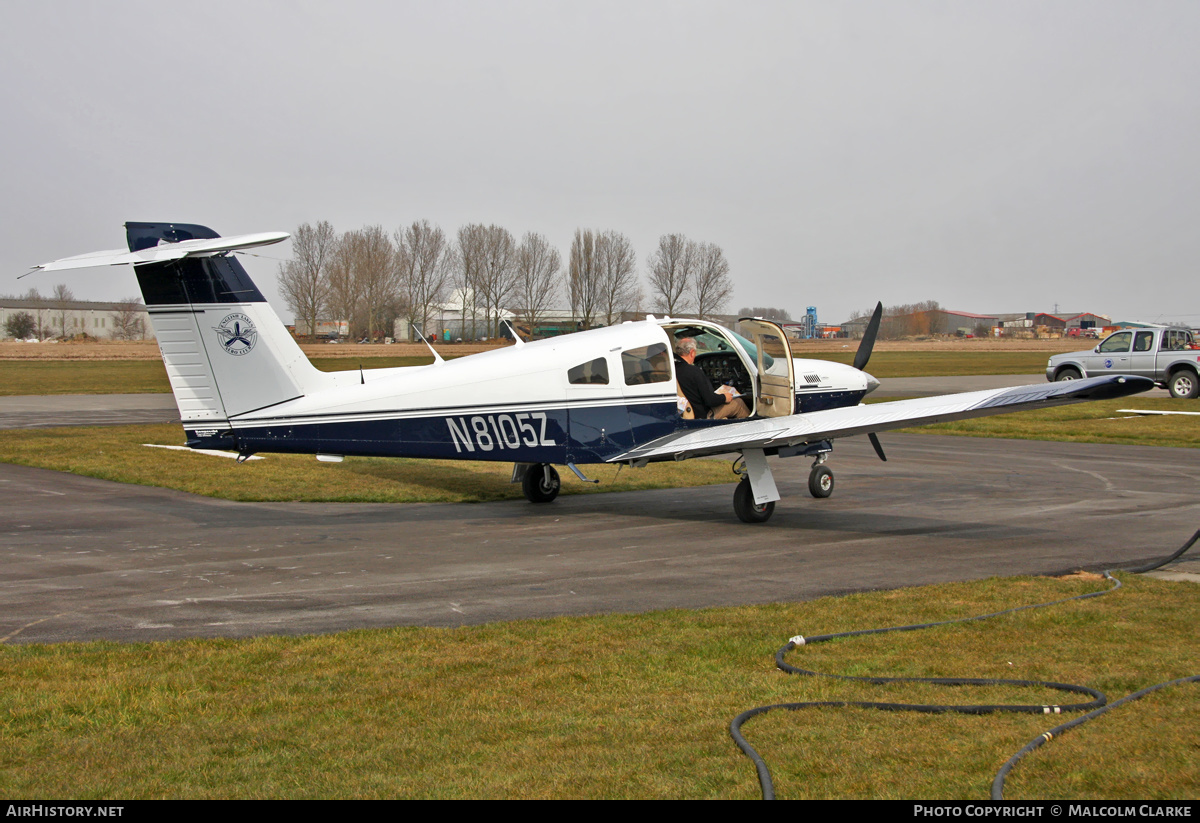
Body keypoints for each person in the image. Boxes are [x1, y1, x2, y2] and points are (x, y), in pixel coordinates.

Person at [674, 337, 750, 420]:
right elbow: (710, 400)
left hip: (686, 413)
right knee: (738, 403)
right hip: (702, 415)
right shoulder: (694, 371)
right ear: (692, 352)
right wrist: (725, 397)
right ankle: (751, 429)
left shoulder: (672, 369)